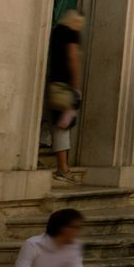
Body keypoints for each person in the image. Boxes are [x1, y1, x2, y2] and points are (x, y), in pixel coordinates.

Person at [44, 11, 84, 181]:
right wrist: (75, 88)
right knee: (62, 126)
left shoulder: (54, 31)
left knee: (48, 121)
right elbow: (72, 58)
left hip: (50, 83)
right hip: (63, 87)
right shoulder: (71, 33)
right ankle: (63, 168)